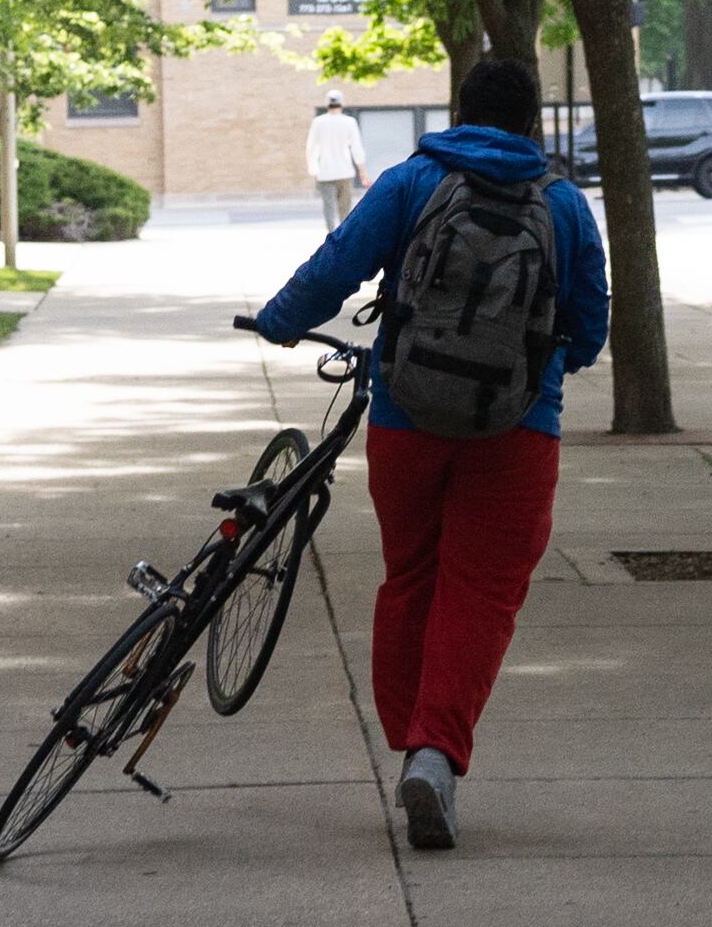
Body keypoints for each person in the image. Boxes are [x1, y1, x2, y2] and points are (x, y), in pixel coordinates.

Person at [254, 57, 608, 850]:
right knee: (480, 592)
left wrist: (280, 320)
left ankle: (411, 736)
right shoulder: (563, 204)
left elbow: (336, 265)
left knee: (411, 574)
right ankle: (436, 753)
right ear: (530, 120)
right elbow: (590, 326)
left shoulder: (413, 181)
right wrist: (542, 366)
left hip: (408, 419)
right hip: (518, 431)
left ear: (460, 110)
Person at [304, 94, 367, 229]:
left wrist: (313, 168)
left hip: (325, 172)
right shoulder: (349, 122)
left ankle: (330, 234)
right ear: (342, 104)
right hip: (345, 172)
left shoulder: (318, 122)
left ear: (327, 104)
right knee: (345, 208)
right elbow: (356, 147)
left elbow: (311, 147)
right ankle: (343, 237)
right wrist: (362, 170)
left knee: (329, 207)